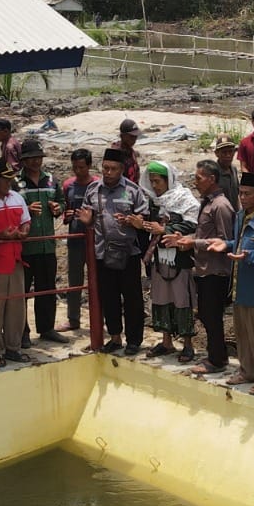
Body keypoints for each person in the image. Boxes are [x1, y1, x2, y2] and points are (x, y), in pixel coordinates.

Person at [207, 173, 254, 395]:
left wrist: (251, 256)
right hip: (241, 286)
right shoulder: (241, 216)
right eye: (241, 193)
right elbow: (239, 243)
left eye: (248, 194)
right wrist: (226, 245)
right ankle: (247, 370)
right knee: (243, 332)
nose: (243, 198)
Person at [77, 149, 151, 357]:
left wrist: (135, 221)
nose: (108, 172)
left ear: (122, 170)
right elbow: (88, 216)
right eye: (105, 168)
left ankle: (134, 340)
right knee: (108, 297)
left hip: (129, 253)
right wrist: (87, 220)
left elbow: (143, 217)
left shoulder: (132, 190)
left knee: (133, 298)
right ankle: (115, 337)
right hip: (103, 253)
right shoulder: (93, 190)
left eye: (113, 169)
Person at [141, 161, 199, 362]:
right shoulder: (153, 201)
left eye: (158, 181)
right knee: (161, 298)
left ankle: (188, 344)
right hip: (159, 259)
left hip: (180, 259)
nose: (155, 186)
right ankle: (166, 341)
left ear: (169, 180)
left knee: (182, 299)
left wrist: (164, 230)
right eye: (152, 182)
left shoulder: (185, 199)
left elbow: (192, 224)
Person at [182, 160, 235, 376]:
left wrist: (194, 243)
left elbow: (224, 240)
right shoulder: (207, 203)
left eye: (199, 178)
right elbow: (205, 235)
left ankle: (217, 359)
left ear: (212, 179)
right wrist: (188, 239)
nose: (195, 183)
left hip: (216, 270)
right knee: (205, 313)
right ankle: (216, 354)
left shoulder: (220, 206)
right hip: (204, 268)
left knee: (211, 315)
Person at [16, 140, 67, 346]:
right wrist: (25, 210)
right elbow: (9, 208)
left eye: (38, 157)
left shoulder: (52, 180)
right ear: (24, 160)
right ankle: (22, 332)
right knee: (23, 292)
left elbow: (62, 203)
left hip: (47, 245)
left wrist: (58, 208)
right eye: (31, 158)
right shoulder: (15, 183)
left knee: (47, 288)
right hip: (25, 247)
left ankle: (47, 328)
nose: (36, 161)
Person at [0, 159, 31, 364]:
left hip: (16, 260)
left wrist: (24, 231)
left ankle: (13, 347)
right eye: (5, 179)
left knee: (16, 306)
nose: (9, 183)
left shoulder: (17, 198)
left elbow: (26, 221)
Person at [61, 149, 95, 333]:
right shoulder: (68, 186)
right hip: (75, 238)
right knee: (74, 280)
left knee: (97, 280)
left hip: (96, 240)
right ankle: (73, 318)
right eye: (75, 167)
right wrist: (66, 216)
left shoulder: (98, 185)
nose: (78, 171)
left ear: (89, 166)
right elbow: (65, 210)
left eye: (81, 167)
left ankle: (100, 318)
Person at [111, 118, 144, 189]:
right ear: (122, 136)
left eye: (135, 136)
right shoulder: (115, 154)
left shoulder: (130, 150)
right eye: (131, 137)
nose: (134, 140)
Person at [213, 136, 241, 210]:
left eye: (230, 152)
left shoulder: (233, 169)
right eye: (224, 152)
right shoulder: (213, 173)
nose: (228, 155)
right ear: (217, 153)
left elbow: (237, 194)